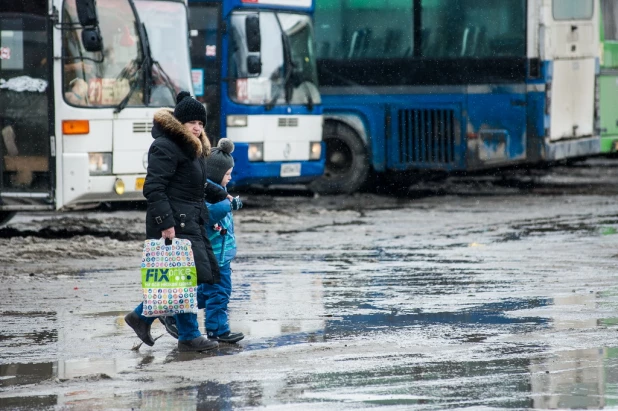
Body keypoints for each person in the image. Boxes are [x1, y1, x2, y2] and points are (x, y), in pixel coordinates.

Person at [124, 91, 229, 352]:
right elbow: (154, 188)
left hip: (189, 220)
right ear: (179, 123)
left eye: (201, 123)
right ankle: (187, 334)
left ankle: (148, 319)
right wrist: (165, 223)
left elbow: (196, 182)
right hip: (175, 224)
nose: (197, 127)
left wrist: (221, 193)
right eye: (192, 122)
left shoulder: (191, 148)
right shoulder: (165, 146)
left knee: (182, 280)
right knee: (183, 279)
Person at [200, 138, 244, 343]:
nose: (230, 177)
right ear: (217, 174)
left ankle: (177, 309)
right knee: (220, 293)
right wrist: (229, 205)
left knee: (209, 291)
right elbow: (209, 216)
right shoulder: (210, 195)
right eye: (227, 174)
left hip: (221, 253)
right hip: (216, 255)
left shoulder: (219, 192)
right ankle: (218, 329)